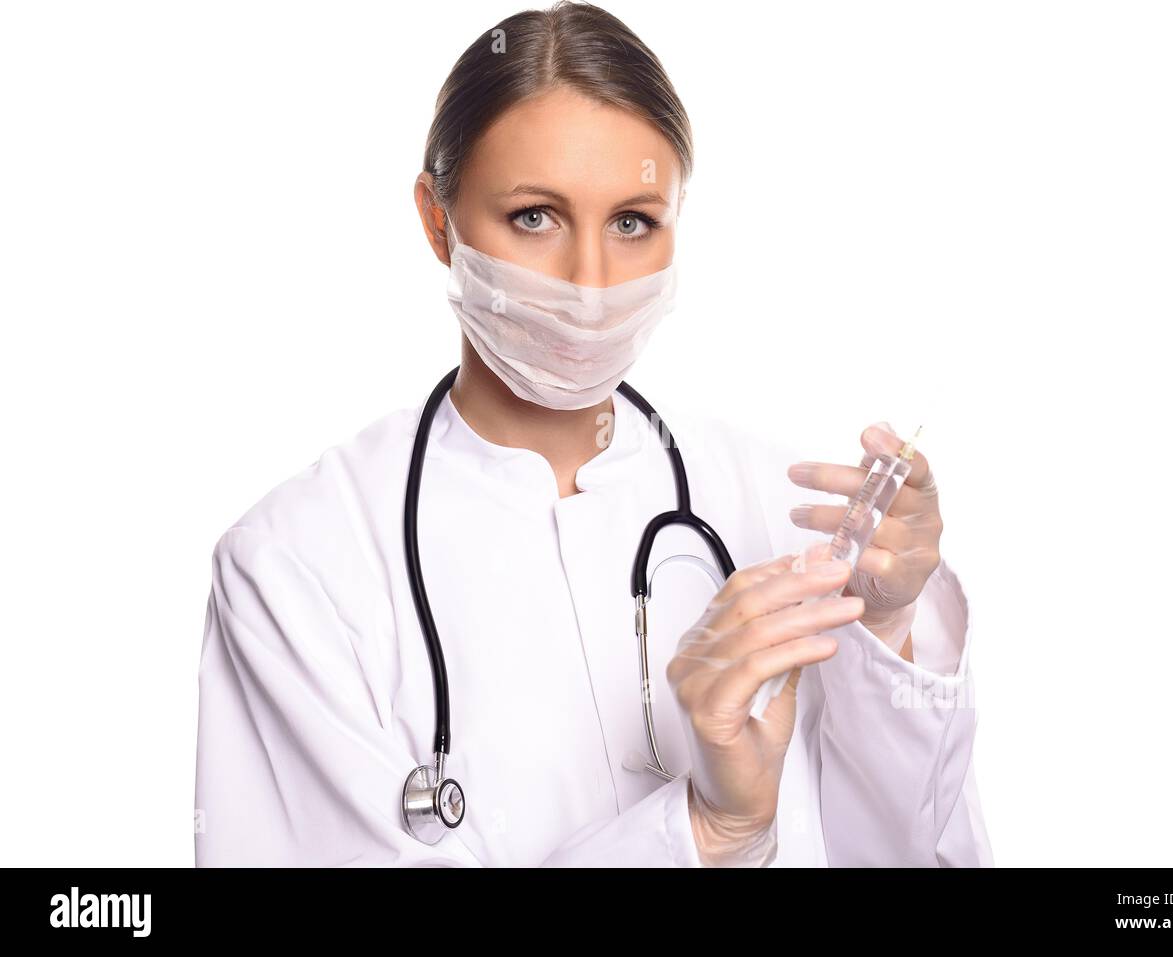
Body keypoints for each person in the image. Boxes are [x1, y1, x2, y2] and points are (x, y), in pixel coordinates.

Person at [194, 0, 992, 867]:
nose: (589, 283)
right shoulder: (297, 563)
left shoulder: (776, 503)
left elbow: (916, 856)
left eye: (632, 222)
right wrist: (705, 831)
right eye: (535, 216)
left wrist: (889, 630)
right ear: (437, 221)